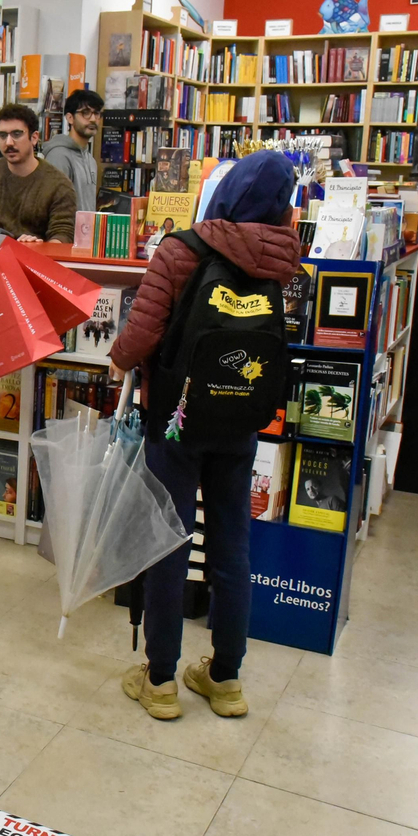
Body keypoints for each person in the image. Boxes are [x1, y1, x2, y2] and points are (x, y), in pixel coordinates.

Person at [108, 150, 302, 721]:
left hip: (177, 416)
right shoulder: (281, 256)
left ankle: (162, 679)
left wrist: (118, 361)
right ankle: (226, 678)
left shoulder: (182, 249)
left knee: (169, 540)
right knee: (231, 546)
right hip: (240, 417)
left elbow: (143, 332)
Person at [0, 104, 78, 244]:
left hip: (35, 260)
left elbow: (63, 235)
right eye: (2, 135)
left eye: (17, 134)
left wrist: (39, 247)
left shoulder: (59, 185)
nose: (8, 142)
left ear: (34, 137)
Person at [42, 89, 103, 214]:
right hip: (65, 232)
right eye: (85, 113)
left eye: (96, 113)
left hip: (87, 232)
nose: (92, 119)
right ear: (70, 118)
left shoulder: (90, 159)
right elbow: (53, 206)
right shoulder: (58, 156)